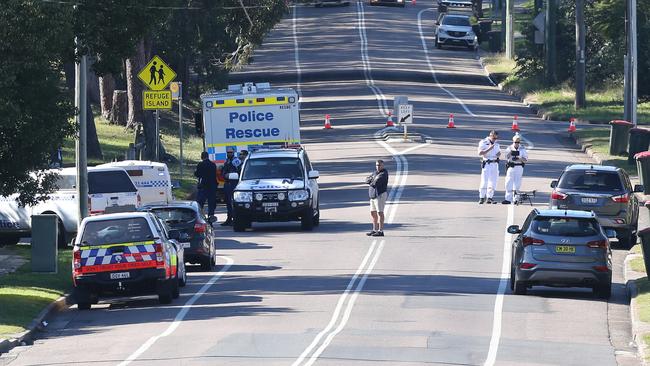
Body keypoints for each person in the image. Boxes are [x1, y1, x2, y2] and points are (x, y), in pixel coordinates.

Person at [365, 159, 389, 237]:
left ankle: (381, 231)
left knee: (380, 213)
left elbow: (376, 183)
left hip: (380, 195)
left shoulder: (384, 173)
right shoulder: (375, 173)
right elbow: (367, 179)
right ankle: (374, 229)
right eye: (377, 165)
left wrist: (371, 181)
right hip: (373, 196)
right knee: (373, 213)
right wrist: (370, 180)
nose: (378, 166)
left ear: (383, 165)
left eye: (379, 165)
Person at [503, 134, 528, 204]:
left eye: (518, 142)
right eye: (515, 142)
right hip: (511, 166)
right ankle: (508, 199)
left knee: (517, 183)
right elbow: (506, 157)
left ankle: (516, 199)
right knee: (508, 182)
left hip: (519, 166)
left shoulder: (522, 149)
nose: (517, 144)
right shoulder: (509, 148)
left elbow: (526, 160)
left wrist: (520, 158)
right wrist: (510, 153)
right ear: (513, 141)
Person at [477, 130, 501, 204]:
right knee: (484, 181)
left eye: (496, 138)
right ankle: (481, 197)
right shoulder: (483, 142)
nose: (495, 139)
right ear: (490, 136)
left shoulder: (496, 144)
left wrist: (498, 154)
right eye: (493, 138)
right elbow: (480, 153)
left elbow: (498, 153)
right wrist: (489, 149)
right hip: (487, 163)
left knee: (493, 181)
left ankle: (489, 197)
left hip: (495, 164)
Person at [194, 151, 217, 222]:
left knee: (200, 202)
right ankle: (211, 215)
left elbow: (198, 174)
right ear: (208, 156)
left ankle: (200, 217)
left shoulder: (201, 164)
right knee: (211, 202)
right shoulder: (213, 164)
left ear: (202, 157)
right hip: (212, 186)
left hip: (203, 186)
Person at [221, 147, 241, 226]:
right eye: (228, 152)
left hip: (233, 183)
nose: (229, 154)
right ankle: (229, 219)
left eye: (231, 152)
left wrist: (231, 174)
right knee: (228, 202)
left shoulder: (236, 161)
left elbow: (239, 171)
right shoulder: (227, 161)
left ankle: (234, 219)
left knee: (232, 202)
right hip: (227, 183)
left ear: (233, 152)